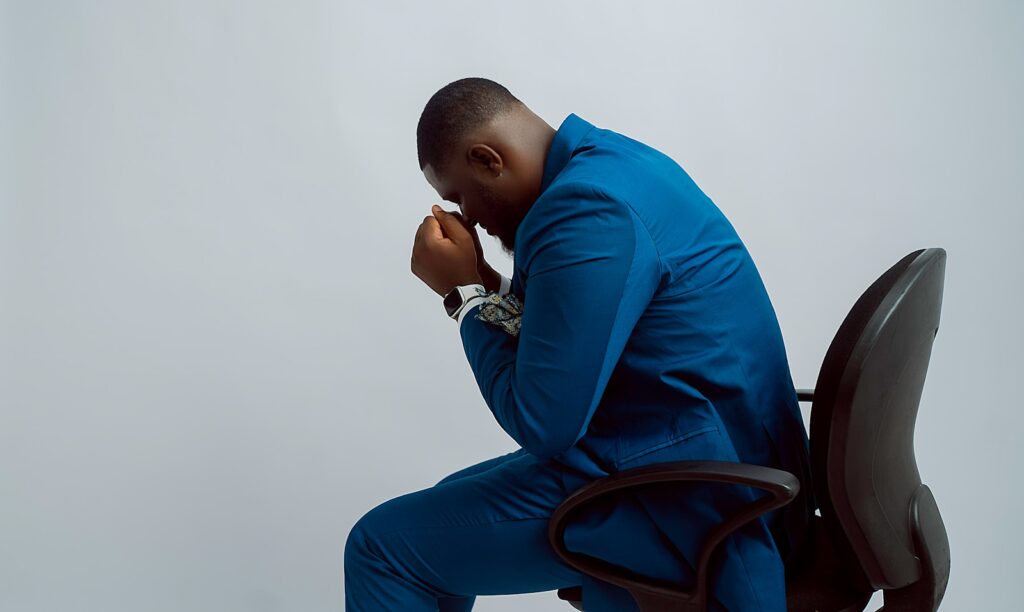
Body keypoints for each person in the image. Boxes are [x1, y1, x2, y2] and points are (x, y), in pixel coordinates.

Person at [344, 77, 814, 611]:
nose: (467, 217)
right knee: (438, 504)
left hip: (696, 494)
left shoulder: (584, 211)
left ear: (487, 160)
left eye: (460, 197)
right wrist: (483, 276)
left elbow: (544, 422)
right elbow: (575, 318)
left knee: (380, 547)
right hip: (707, 453)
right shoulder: (609, 165)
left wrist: (464, 297)